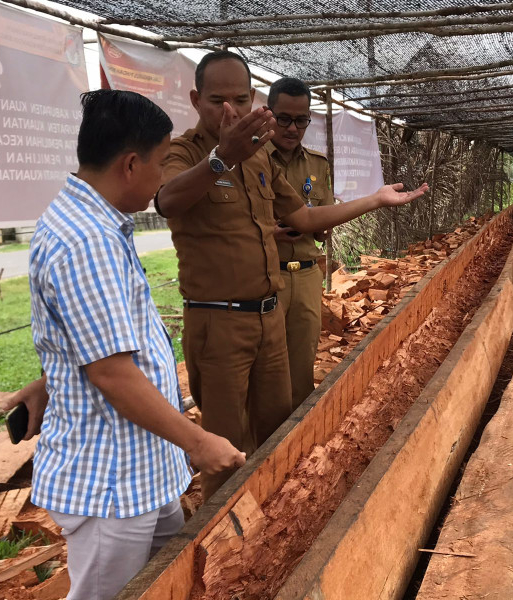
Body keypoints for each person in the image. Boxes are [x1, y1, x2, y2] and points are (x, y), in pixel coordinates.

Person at [155, 50, 428, 500]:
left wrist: (376, 200)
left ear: (253, 98)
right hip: (218, 322)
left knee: (280, 430)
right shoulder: (185, 152)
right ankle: (223, 538)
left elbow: (303, 218)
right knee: (226, 447)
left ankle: (277, 519)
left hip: (268, 318)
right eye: (216, 100)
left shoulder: (259, 156)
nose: (231, 111)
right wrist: (222, 158)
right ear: (195, 100)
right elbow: (166, 200)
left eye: (241, 99)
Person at [18, 89, 244, 600]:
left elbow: (93, 338)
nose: (162, 176)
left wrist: (51, 379)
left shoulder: (96, 224)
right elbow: (112, 374)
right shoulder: (87, 241)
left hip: (143, 467)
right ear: (130, 164)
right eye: (162, 163)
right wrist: (199, 442)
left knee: (163, 580)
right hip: (112, 483)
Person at [266, 77, 334, 410]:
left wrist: (323, 225)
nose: (292, 128)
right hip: (266, 278)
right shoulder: (251, 161)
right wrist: (270, 232)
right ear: (269, 114)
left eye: (301, 120)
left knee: (302, 366)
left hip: (307, 275)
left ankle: (298, 440)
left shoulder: (318, 166)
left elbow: (323, 225)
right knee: (267, 367)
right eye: (284, 118)